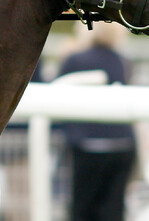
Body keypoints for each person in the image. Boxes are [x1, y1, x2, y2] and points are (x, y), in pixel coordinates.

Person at [55, 23, 137, 221]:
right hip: (122, 145)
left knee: (81, 210)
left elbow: (56, 97)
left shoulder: (75, 60)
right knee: (113, 210)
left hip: (87, 146)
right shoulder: (123, 61)